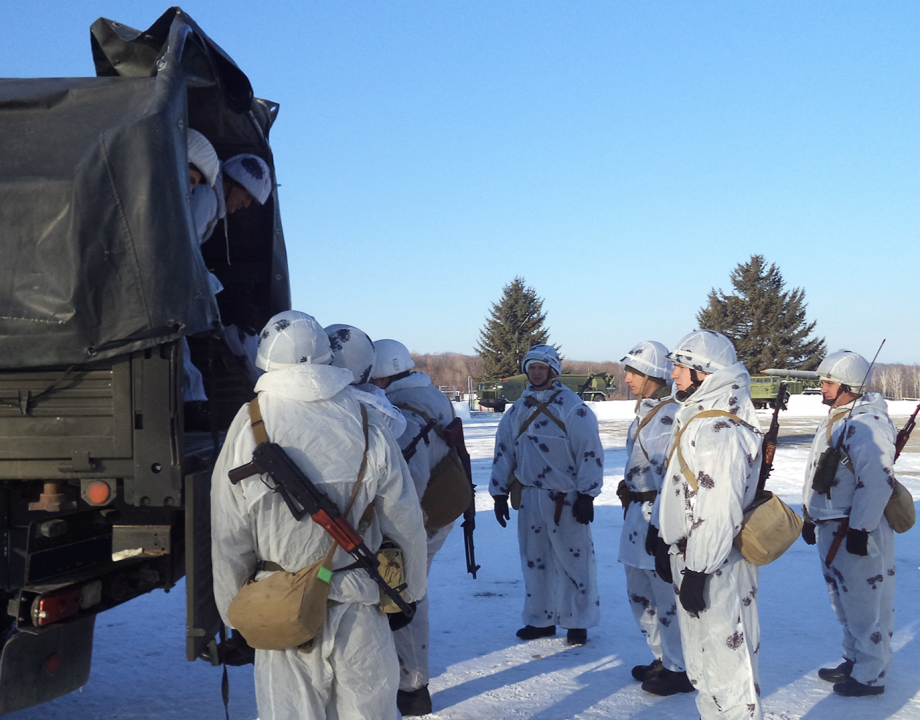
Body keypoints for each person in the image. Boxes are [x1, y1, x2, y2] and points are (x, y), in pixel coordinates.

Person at [210, 310, 428, 720]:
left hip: (281, 604)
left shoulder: (249, 423)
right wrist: (409, 590)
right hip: (358, 600)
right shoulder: (366, 418)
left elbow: (228, 533)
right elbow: (404, 518)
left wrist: (234, 613)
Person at [658, 330, 763, 720]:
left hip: (714, 564)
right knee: (704, 666)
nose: (673, 375)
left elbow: (717, 510)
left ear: (705, 373)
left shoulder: (721, 432)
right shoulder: (700, 421)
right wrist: (662, 538)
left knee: (728, 668)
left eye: (680, 367)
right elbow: (678, 488)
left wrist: (699, 570)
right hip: (691, 556)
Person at [489, 344, 603, 646]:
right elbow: (504, 451)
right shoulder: (519, 409)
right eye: (532, 367)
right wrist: (499, 493)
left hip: (566, 499)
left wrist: (587, 495)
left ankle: (578, 622)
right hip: (530, 498)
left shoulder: (573, 407)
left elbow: (589, 451)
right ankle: (541, 619)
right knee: (534, 561)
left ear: (553, 370)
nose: (536, 372)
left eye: (542, 367)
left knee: (574, 561)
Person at [801, 350, 897, 697]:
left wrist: (860, 528)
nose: (822, 388)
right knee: (843, 602)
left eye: (827, 382)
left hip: (854, 529)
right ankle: (854, 659)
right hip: (831, 524)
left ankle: (870, 675)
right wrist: (810, 516)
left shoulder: (866, 423)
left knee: (865, 606)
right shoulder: (839, 417)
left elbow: (876, 480)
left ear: (846, 384)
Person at [370, 338, 458, 716]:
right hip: (440, 511)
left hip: (415, 521)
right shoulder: (433, 396)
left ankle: (412, 686)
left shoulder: (402, 413)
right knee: (410, 594)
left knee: (403, 598)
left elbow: (411, 482)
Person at [617, 341, 692, 696]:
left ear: (653, 376)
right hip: (638, 512)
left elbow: (668, 476)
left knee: (665, 596)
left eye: (634, 372)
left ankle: (680, 667)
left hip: (655, 514)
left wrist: (661, 529)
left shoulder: (666, 416)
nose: (627, 378)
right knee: (640, 594)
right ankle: (663, 657)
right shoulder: (647, 411)